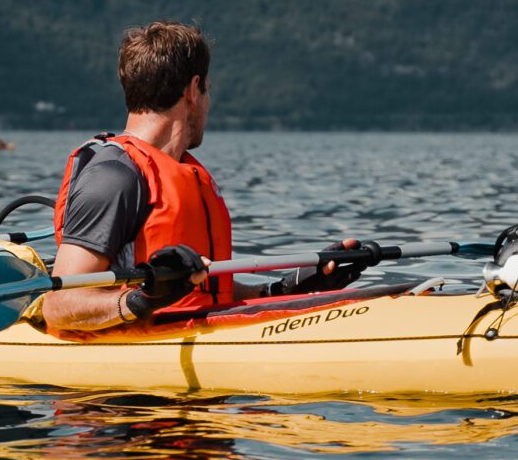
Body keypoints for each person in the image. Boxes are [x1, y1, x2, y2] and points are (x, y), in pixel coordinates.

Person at [42, 21, 374, 334]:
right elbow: (58, 305)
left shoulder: (183, 170)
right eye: (207, 89)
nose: (207, 101)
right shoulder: (115, 176)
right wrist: (144, 299)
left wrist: (286, 287)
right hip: (118, 383)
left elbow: (204, 292)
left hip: (191, 338)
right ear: (193, 89)